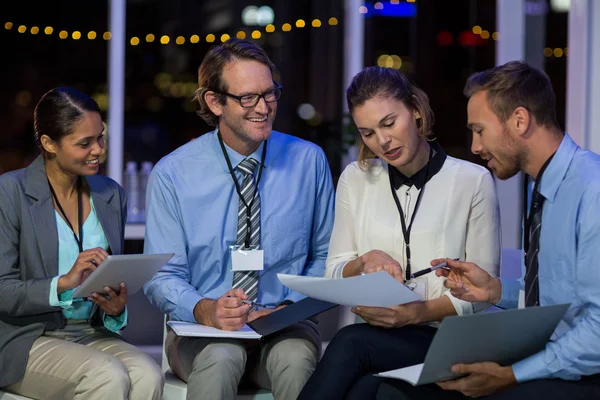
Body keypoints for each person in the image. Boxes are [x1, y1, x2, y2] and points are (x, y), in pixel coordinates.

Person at [375, 61, 600, 400]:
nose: (476, 147)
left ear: (520, 121)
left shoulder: (592, 190)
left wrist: (512, 375)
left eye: (479, 130)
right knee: (388, 390)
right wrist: (494, 290)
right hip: (551, 361)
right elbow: (554, 298)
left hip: (583, 373)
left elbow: (597, 331)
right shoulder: (540, 187)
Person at [143, 39, 335, 400]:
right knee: (222, 355)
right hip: (201, 333)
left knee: (295, 359)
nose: (263, 108)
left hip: (286, 326)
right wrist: (204, 309)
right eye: (248, 98)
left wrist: (288, 307)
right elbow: (161, 276)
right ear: (215, 102)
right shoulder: (173, 173)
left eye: (270, 94)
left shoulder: (310, 162)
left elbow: (325, 255)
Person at [298, 66, 501, 400]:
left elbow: (483, 294)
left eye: (389, 123)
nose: (382, 141)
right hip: (377, 341)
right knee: (367, 390)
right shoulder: (355, 178)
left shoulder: (472, 180)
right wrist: (363, 263)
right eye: (368, 133)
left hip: (445, 341)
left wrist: (417, 313)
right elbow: (333, 272)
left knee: (350, 342)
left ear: (416, 111)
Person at [0, 87, 164, 399]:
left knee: (148, 375)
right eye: (84, 143)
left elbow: (109, 284)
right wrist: (63, 283)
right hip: (24, 338)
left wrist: (114, 308)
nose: (98, 150)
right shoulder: (10, 193)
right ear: (49, 143)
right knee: (107, 375)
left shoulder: (110, 194)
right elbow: (2, 289)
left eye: (100, 137)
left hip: (89, 333)